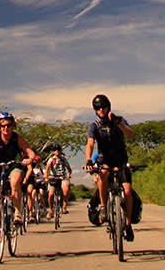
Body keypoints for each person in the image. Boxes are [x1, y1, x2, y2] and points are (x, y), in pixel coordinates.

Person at [84, 94, 136, 242]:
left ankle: (128, 224)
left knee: (127, 191)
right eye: (97, 108)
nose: (101, 110)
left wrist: (118, 123)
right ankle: (103, 207)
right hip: (105, 160)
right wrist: (88, 159)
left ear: (109, 106)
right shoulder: (95, 125)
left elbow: (131, 135)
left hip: (120, 160)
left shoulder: (119, 120)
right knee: (103, 174)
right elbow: (90, 143)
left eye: (103, 107)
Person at [44, 143, 72, 213]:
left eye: (58, 150)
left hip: (63, 177)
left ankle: (64, 207)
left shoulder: (63, 160)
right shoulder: (51, 160)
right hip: (53, 177)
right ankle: (50, 210)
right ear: (53, 152)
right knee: (51, 194)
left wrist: (69, 174)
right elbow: (47, 168)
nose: (57, 151)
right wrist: (46, 176)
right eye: (55, 150)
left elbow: (69, 169)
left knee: (66, 190)